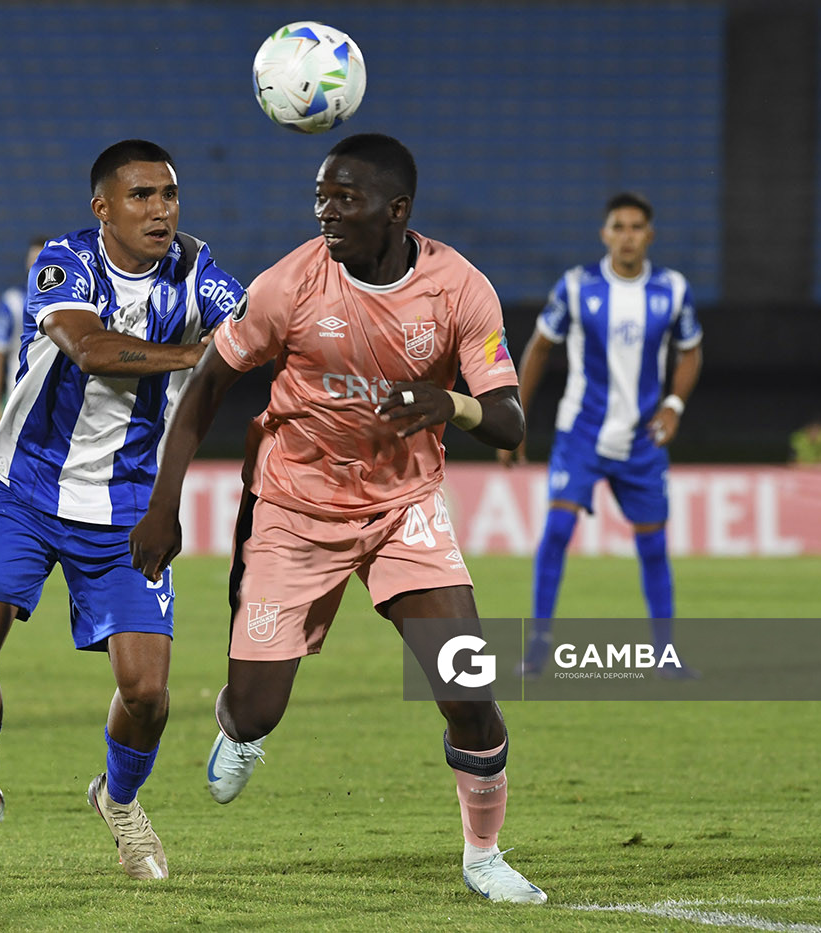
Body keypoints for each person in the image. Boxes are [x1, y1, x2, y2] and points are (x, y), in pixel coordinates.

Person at [130, 133, 547, 904]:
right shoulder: (290, 282)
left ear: (397, 211)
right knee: (256, 709)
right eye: (321, 195)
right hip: (292, 509)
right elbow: (209, 384)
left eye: (344, 198)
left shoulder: (460, 289)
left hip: (403, 509)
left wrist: (447, 402)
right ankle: (238, 731)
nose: (326, 211)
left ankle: (483, 856)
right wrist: (166, 503)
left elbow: (509, 421)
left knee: (470, 688)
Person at [0, 139, 245, 882]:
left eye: (169, 195)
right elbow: (89, 347)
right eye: (141, 196)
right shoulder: (65, 262)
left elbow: (255, 327)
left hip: (126, 501)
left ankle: (118, 800)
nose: (160, 210)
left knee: (148, 691)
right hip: (23, 490)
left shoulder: (198, 272)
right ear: (103, 208)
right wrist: (201, 357)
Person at [498, 192, 702, 677]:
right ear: (604, 233)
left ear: (649, 235)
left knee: (653, 544)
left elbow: (691, 350)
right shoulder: (576, 286)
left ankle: (664, 655)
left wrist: (674, 405)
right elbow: (539, 349)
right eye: (619, 226)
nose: (627, 235)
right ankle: (539, 645)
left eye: (636, 227)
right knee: (558, 530)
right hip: (582, 432)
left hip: (642, 439)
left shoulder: (672, 289)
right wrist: (515, 420)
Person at [0, 236, 48, 438]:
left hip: (58, 404)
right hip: (19, 402)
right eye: (33, 260)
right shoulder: (14, 303)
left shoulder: (71, 303)